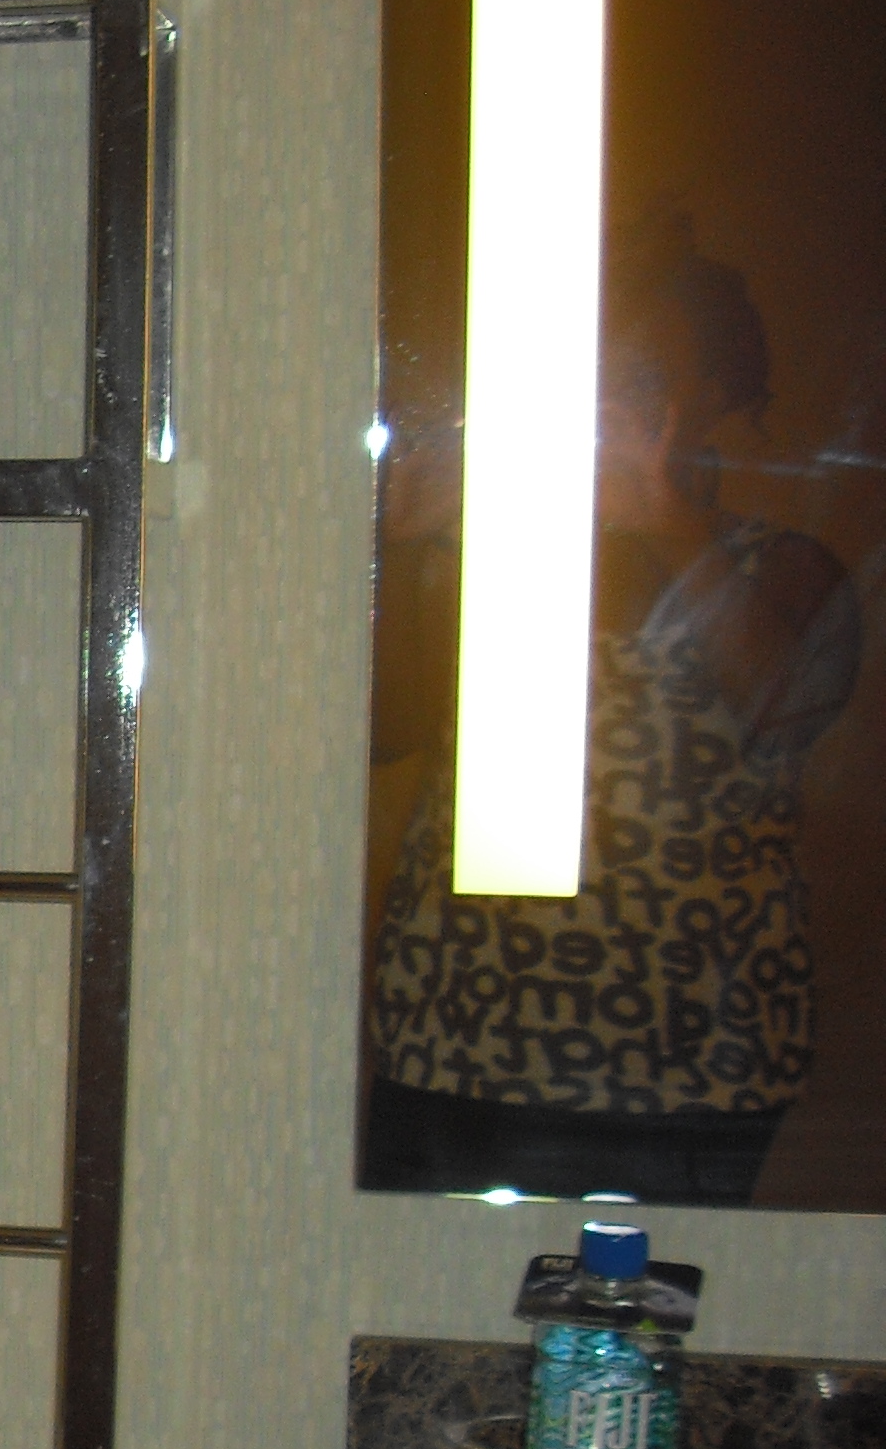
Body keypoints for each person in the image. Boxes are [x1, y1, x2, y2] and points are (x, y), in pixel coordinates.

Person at [363, 215, 864, 1204]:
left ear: (714, 398)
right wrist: (400, 550)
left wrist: (668, 523)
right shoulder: (481, 550)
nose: (606, 405)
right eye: (589, 374)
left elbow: (787, 713)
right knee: (426, 1299)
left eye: (641, 380)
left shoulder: (780, 564)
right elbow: (386, 732)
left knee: (649, 1302)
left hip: (686, 1062)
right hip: (455, 1034)